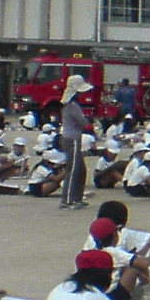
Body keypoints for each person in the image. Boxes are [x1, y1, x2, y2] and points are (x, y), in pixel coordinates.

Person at [58, 74, 95, 209]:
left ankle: (76, 198)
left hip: (73, 138)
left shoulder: (70, 104)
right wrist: (89, 122)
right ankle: (67, 199)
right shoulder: (72, 105)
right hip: (71, 139)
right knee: (73, 170)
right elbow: (83, 122)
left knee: (81, 169)